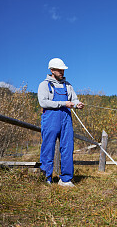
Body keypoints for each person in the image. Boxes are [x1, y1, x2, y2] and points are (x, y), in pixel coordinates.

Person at [37, 58, 84, 187]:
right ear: (52, 70)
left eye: (63, 69)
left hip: (66, 119)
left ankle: (65, 179)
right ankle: (47, 178)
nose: (62, 72)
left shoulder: (68, 85)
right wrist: (64, 103)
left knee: (68, 147)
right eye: (59, 70)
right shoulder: (44, 85)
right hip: (50, 119)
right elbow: (43, 102)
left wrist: (77, 104)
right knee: (48, 147)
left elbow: (73, 99)